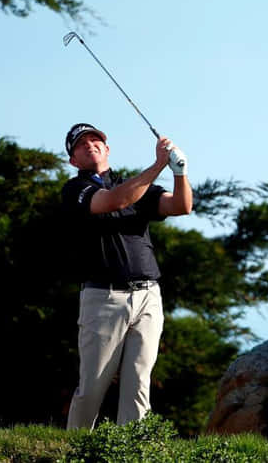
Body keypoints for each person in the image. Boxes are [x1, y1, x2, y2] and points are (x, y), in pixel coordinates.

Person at [61, 122, 192, 429]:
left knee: (138, 383)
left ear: (107, 149)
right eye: (81, 144)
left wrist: (180, 172)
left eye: (95, 140)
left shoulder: (135, 186)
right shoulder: (75, 190)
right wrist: (158, 165)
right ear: (73, 160)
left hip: (148, 296)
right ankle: (75, 448)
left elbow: (181, 206)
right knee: (92, 387)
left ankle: (132, 450)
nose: (90, 145)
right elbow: (114, 201)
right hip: (103, 298)